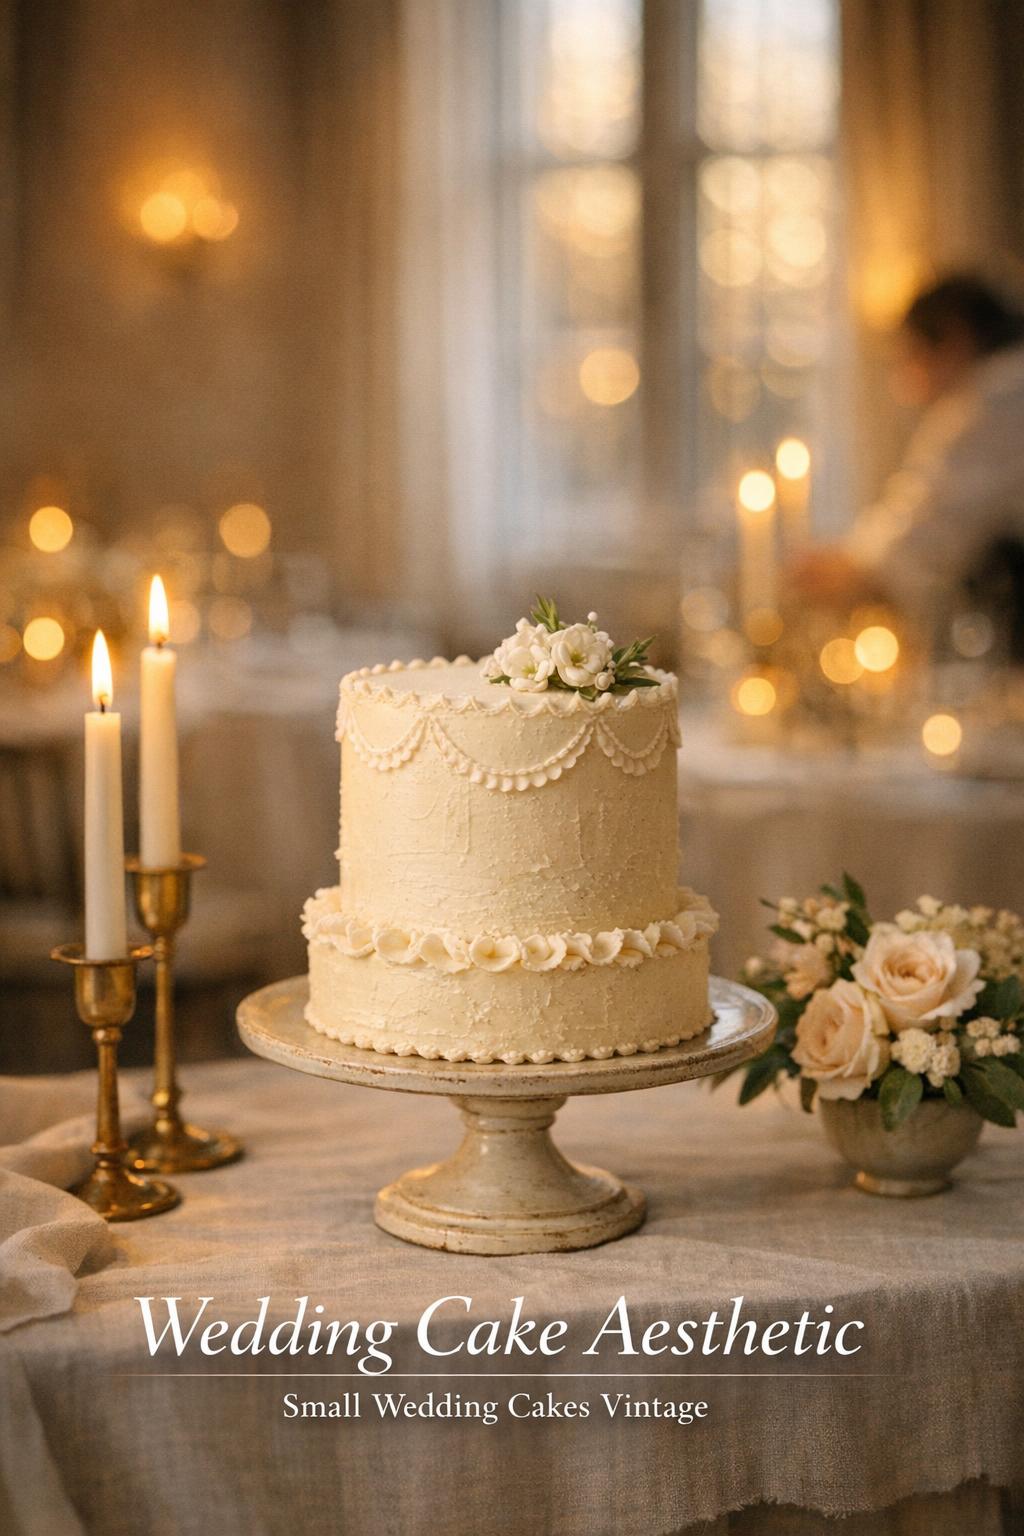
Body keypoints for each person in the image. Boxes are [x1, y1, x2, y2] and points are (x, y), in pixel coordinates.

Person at [795, 273, 1024, 646]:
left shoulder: (991, 403)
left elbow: (930, 528)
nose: (902, 381)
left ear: (953, 339)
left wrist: (849, 568)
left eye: (907, 356)